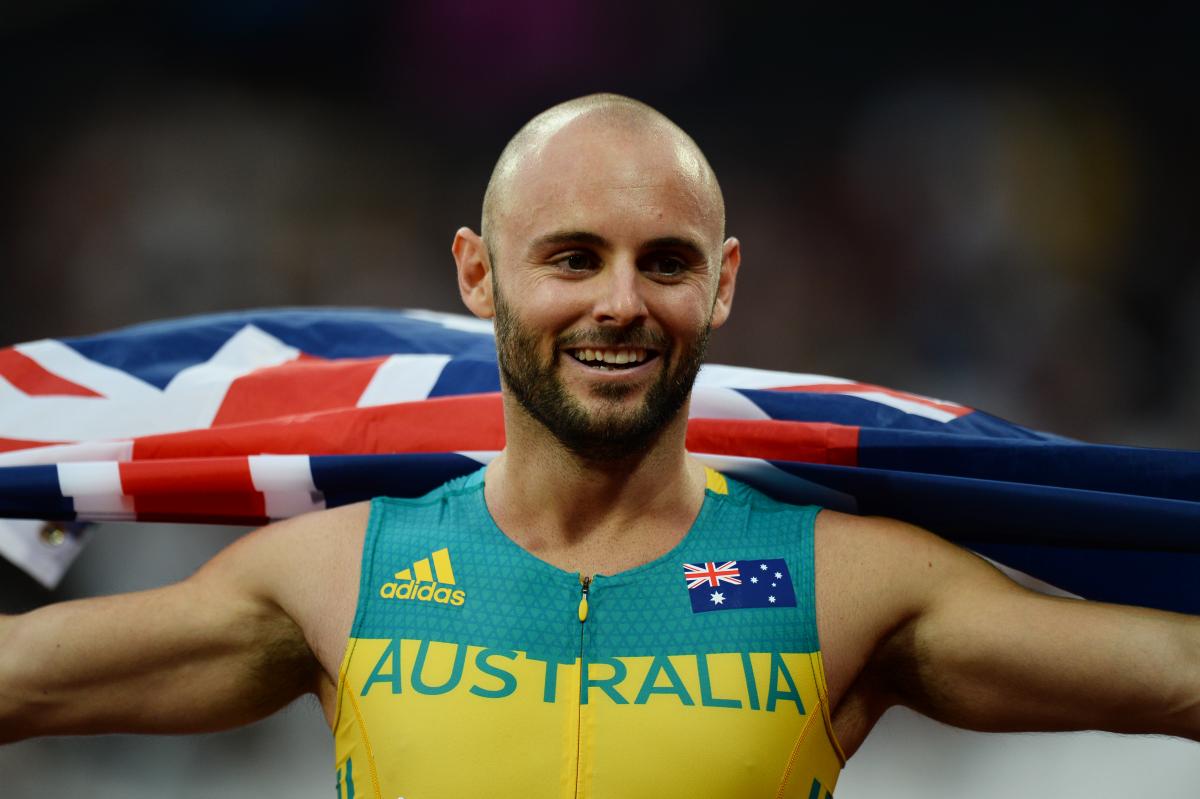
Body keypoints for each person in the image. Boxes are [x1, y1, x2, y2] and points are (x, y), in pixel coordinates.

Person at [0, 93, 1196, 798]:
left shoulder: (851, 581)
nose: (620, 303)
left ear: (723, 286)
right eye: (572, 257)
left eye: (664, 262)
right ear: (479, 274)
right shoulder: (333, 574)